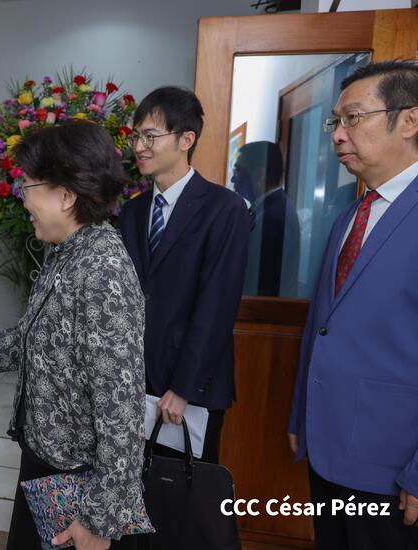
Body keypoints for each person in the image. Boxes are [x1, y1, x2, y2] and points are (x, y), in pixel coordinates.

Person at [0, 121, 152, 550]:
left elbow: (121, 407)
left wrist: (99, 520)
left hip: (80, 487)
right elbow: (29, 341)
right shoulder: (68, 252)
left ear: (66, 195)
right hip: (46, 469)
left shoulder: (101, 270)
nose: (24, 199)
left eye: (29, 186)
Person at [288, 60, 418, 549]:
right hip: (327, 446)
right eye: (336, 121)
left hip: (393, 464)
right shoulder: (350, 216)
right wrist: (300, 415)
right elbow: (320, 327)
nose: (339, 135)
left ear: (409, 120)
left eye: (354, 118)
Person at [117, 86, 250, 464]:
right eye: (136, 137)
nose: (140, 147)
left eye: (150, 136)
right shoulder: (132, 212)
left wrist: (183, 388)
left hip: (188, 387)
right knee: (131, 487)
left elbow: (217, 306)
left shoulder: (224, 209)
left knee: (182, 491)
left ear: (186, 140)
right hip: (134, 381)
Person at [232, 140, 301, 297]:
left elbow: (261, 284)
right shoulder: (274, 207)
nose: (233, 179)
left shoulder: (270, 216)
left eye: (238, 171)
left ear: (259, 176)